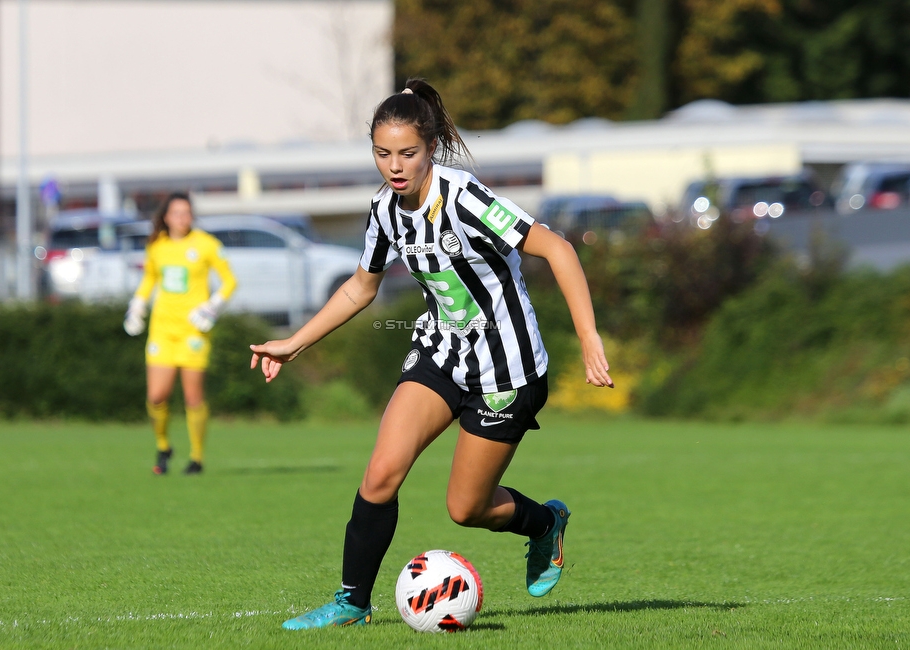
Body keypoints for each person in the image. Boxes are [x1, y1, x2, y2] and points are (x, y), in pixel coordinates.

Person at [249, 79, 613, 629]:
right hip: (439, 354)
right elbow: (360, 287)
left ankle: (543, 524)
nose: (394, 166)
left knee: (466, 509)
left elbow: (556, 248)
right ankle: (352, 602)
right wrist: (294, 342)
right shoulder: (383, 210)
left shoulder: (464, 197)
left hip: (505, 370)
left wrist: (589, 338)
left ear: (432, 147)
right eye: (382, 153)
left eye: (407, 153)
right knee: (380, 475)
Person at [124, 192, 237, 475]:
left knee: (193, 399)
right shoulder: (157, 246)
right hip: (162, 330)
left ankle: (196, 457)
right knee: (156, 396)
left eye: (186, 213)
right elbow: (150, 277)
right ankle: (163, 446)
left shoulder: (207, 245)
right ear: (165, 217)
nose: (182, 218)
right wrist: (137, 306)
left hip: (193, 332)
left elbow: (230, 282)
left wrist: (212, 307)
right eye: (176, 213)